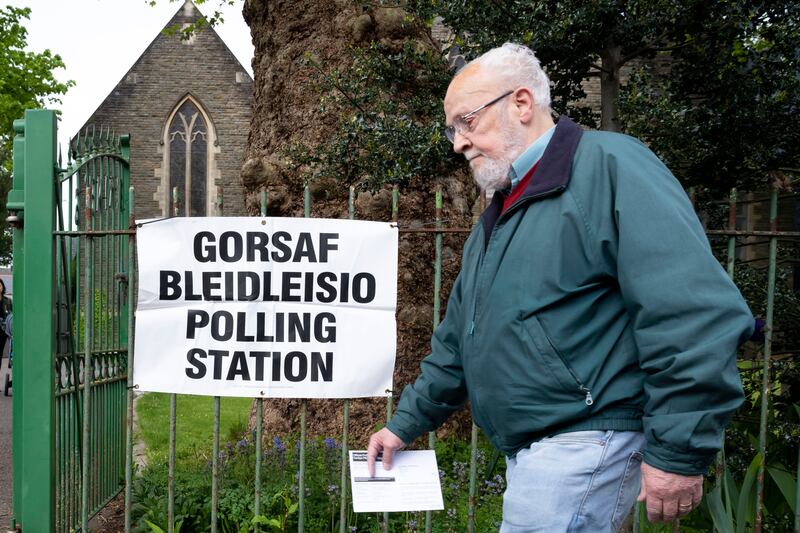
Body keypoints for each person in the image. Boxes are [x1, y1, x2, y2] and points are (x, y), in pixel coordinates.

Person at [367, 43, 754, 532]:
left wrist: (679, 449)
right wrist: (405, 425)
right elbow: (458, 342)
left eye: (467, 121)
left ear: (522, 104)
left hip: (585, 441)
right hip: (542, 448)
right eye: (452, 129)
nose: (457, 143)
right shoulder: (501, 214)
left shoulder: (609, 166)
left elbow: (690, 311)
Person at [0, 278, 11, 361]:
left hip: (3, 329)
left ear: (2, 287)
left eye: (0, 285)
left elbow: (11, 314)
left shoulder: (7, 300)